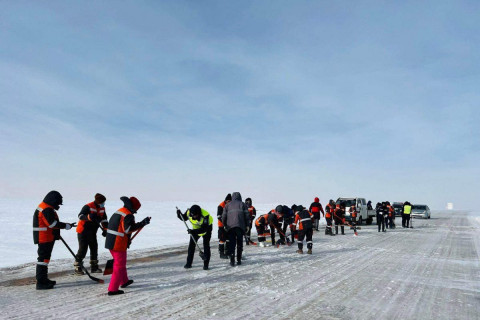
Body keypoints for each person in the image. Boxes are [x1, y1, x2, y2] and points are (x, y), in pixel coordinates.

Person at [105, 196, 150, 296]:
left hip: (111, 241)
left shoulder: (120, 211)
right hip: (118, 243)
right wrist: (142, 223)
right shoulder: (128, 215)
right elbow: (128, 229)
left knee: (121, 263)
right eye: (135, 210)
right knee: (119, 265)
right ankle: (113, 289)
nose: (135, 212)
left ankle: (124, 281)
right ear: (133, 207)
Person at [33, 191, 76, 290]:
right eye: (57, 203)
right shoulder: (46, 209)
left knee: (45, 259)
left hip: (47, 237)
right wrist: (66, 226)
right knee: (43, 260)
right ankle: (41, 282)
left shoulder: (47, 207)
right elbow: (52, 224)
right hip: (44, 238)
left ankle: (44, 279)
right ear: (53, 201)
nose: (58, 205)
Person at [74, 193, 108, 275]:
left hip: (92, 231)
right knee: (83, 249)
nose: (103, 204)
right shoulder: (88, 206)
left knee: (94, 248)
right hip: (83, 231)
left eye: (104, 202)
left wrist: (105, 229)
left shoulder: (102, 208)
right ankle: (77, 267)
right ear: (97, 201)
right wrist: (89, 217)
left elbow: (104, 220)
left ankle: (94, 267)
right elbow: (80, 216)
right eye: (102, 202)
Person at [177, 204, 213, 270]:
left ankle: (206, 265)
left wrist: (193, 232)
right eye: (192, 215)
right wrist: (179, 215)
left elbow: (204, 229)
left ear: (199, 214)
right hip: (195, 230)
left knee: (206, 245)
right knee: (191, 246)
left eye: (195, 215)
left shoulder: (205, 216)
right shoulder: (189, 212)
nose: (193, 216)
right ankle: (188, 263)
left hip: (207, 229)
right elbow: (184, 218)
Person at [222, 192, 249, 266]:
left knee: (232, 244)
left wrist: (224, 225)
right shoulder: (243, 204)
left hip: (230, 227)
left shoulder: (227, 205)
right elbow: (247, 216)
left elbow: (223, 216)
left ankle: (232, 260)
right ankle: (239, 260)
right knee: (239, 243)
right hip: (240, 227)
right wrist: (247, 226)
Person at [217, 194, 232, 258]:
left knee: (229, 238)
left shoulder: (231, 205)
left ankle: (227, 251)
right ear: (225, 200)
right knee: (222, 239)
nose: (229, 202)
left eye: (230, 201)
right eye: (228, 201)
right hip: (222, 225)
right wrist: (224, 224)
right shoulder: (221, 206)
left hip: (229, 225)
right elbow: (219, 216)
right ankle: (221, 253)